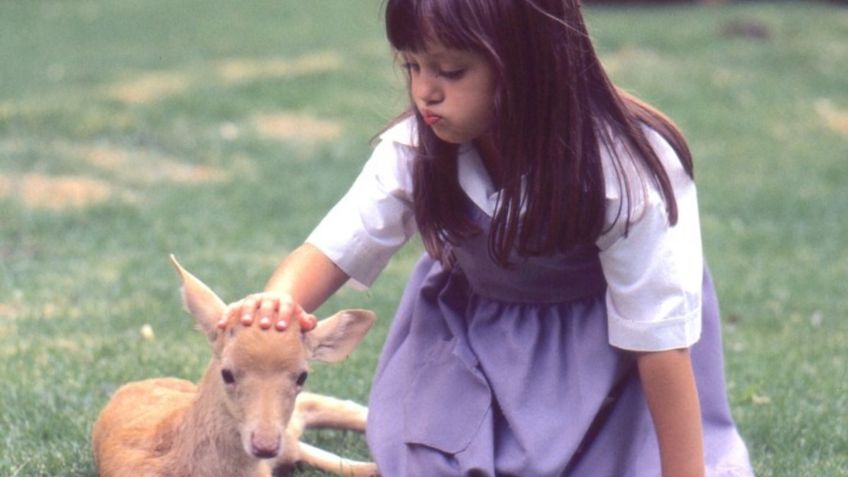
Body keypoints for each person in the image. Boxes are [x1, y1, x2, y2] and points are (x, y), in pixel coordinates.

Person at [221, 0, 754, 475]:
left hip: (609, 356)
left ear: (527, 69)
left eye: (451, 71)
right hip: (476, 335)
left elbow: (660, 342)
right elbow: (336, 245)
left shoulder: (627, 170)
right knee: (428, 459)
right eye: (412, 65)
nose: (424, 91)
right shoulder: (419, 147)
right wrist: (278, 305)